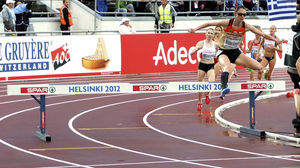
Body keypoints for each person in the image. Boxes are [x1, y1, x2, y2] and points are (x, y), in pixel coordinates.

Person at [189, 6, 282, 100]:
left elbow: (263, 34)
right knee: (227, 67)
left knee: (259, 67)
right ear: (235, 14)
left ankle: (262, 79)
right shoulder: (227, 23)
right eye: (240, 14)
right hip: (223, 51)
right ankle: (224, 87)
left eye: (244, 15)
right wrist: (195, 29)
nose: (242, 16)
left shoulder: (246, 26)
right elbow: (209, 23)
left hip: (235, 52)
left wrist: (275, 40)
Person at [190, 28, 217, 112]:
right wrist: (195, 50)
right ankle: (199, 102)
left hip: (211, 65)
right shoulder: (201, 43)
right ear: (205, 34)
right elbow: (194, 50)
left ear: (213, 35)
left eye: (211, 33)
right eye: (208, 33)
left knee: (211, 82)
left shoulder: (216, 45)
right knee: (200, 84)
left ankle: (207, 94)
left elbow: (222, 53)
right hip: (202, 65)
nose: (209, 34)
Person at [284, 14, 300, 137]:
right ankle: (298, 125)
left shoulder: (292, 32)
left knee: (298, 92)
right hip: (297, 68)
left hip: (291, 68)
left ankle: (298, 127)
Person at [257, 25, 282, 90]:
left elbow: (281, 50)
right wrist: (258, 53)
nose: (271, 30)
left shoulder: (277, 39)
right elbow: (260, 44)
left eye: (273, 29)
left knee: (269, 74)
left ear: (275, 30)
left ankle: (269, 90)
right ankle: (258, 87)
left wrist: (274, 47)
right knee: (260, 70)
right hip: (265, 57)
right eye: (270, 28)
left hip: (272, 58)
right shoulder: (265, 37)